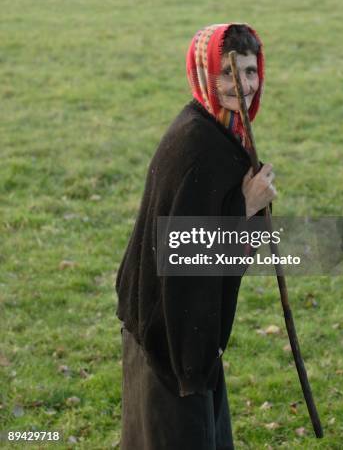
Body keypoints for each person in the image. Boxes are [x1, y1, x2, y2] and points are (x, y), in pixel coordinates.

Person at [116, 23, 277, 449]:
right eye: (227, 73)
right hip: (171, 332)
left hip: (186, 324)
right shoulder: (198, 145)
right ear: (204, 73)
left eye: (249, 71)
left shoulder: (220, 132)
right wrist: (245, 206)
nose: (241, 85)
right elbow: (186, 251)